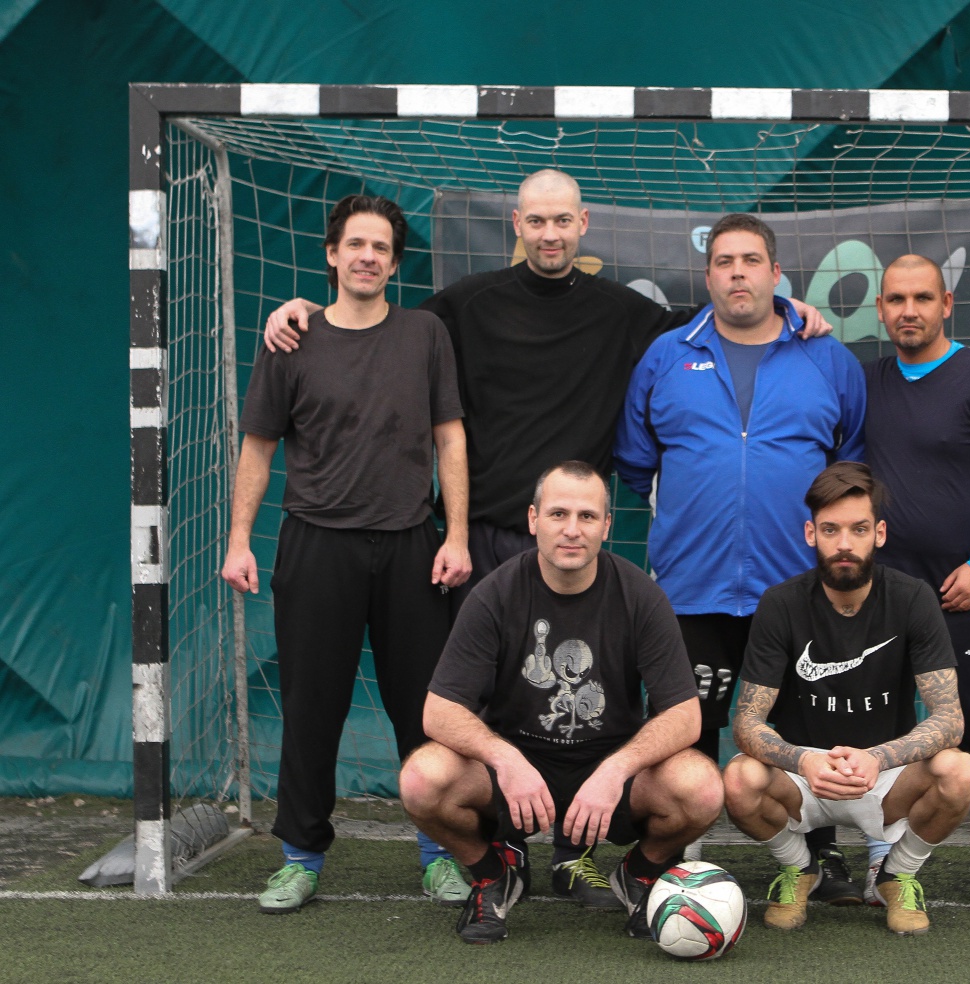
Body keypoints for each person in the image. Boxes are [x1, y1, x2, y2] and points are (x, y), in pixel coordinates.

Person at [263, 171, 830, 905]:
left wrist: (787, 308)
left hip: (573, 546)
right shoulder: (466, 305)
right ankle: (489, 850)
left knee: (580, 699)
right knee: (482, 707)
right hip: (485, 544)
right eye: (537, 221)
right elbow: (373, 317)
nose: (550, 233)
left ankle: (574, 851)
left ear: (583, 224)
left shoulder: (623, 313)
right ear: (517, 226)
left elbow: (723, 313)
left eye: (562, 220)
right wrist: (309, 309)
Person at [220, 194, 473, 914]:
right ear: (332, 255)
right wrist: (239, 541)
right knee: (311, 710)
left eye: (381, 247)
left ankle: (440, 853)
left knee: (426, 713)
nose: (367, 256)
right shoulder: (290, 340)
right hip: (316, 545)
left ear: (395, 263)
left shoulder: (425, 334)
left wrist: (455, 534)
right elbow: (258, 447)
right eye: (355, 244)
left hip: (410, 547)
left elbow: (450, 437)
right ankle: (299, 859)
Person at [614, 212, 868, 902]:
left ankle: (817, 854)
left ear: (775, 273)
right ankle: (677, 853)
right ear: (708, 276)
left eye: (751, 260)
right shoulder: (666, 356)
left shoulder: (828, 358)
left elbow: (849, 468)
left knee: (806, 728)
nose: (737, 273)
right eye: (724, 262)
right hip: (690, 587)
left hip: (796, 590)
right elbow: (637, 462)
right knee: (684, 727)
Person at [398, 461, 722, 944]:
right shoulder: (494, 594)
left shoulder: (641, 596)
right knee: (422, 779)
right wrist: (504, 758)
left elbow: (685, 715)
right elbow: (438, 710)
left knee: (702, 789)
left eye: (587, 516)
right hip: (517, 771)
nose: (572, 529)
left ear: (606, 526)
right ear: (533, 520)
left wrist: (616, 769)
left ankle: (638, 874)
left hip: (610, 769)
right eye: (558, 514)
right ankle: (493, 875)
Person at [723, 462, 970, 936]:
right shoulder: (780, 603)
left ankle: (897, 875)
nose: (844, 543)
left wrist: (878, 758)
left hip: (885, 774)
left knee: (959, 770)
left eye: (859, 529)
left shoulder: (912, 598)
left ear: (879, 533)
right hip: (804, 776)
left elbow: (950, 719)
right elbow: (747, 721)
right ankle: (799, 867)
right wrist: (805, 761)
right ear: (810, 534)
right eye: (830, 529)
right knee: (740, 778)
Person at [862, 254, 970, 910]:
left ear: (947, 304)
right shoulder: (867, 382)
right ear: (880, 309)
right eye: (896, 299)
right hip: (882, 599)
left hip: (965, 593)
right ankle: (879, 859)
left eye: (922, 298)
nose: (909, 310)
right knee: (882, 729)